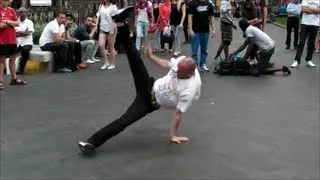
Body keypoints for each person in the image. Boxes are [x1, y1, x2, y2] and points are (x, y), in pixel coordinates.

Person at [78, 6, 202, 154]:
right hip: (149, 85)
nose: (174, 72)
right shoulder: (182, 62)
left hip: (147, 104)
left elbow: (178, 114)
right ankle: (120, 22)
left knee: (124, 121)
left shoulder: (189, 88)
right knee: (135, 58)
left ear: (188, 74)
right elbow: (167, 64)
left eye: (178, 73)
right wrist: (150, 57)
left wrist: (173, 135)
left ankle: (91, 143)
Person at [0, 0, 26, 90]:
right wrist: (10, 23)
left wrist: (7, 22)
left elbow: (17, 23)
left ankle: (13, 78)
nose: (6, 2)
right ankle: (0, 81)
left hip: (12, 39)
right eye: (5, 0)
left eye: (7, 0)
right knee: (2, 59)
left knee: (12, 58)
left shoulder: (11, 10)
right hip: (1, 39)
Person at [188, 0, 216, 72]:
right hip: (196, 31)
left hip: (205, 30)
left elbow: (211, 17)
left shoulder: (209, 4)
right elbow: (190, 17)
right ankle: (195, 65)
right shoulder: (193, 3)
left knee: (204, 49)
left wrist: (213, 29)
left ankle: (202, 64)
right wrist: (190, 29)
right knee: (194, 50)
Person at [291, 0, 319, 68]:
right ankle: (297, 60)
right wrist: (315, 10)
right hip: (305, 23)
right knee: (301, 42)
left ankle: (308, 60)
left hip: (315, 24)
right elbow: (303, 9)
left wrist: (309, 9)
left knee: (311, 43)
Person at [15, 7, 34, 74]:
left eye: (25, 12)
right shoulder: (15, 22)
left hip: (27, 43)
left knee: (25, 50)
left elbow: (28, 33)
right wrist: (24, 33)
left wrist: (18, 33)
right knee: (8, 51)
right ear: (18, 13)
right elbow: (14, 34)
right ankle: (6, 68)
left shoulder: (29, 22)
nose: (23, 13)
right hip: (17, 43)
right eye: (22, 12)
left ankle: (21, 69)